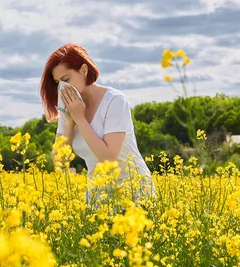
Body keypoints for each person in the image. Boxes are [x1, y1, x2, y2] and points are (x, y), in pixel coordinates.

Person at [39, 43, 156, 204]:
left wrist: (80, 119)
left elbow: (109, 158)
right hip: (98, 194)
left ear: (84, 70)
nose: (63, 88)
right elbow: (60, 162)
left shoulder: (114, 101)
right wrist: (71, 121)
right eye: (58, 82)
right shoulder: (69, 110)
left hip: (133, 192)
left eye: (66, 79)